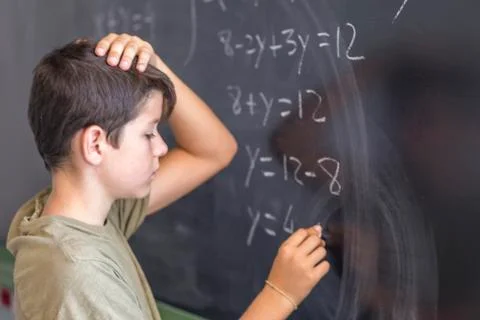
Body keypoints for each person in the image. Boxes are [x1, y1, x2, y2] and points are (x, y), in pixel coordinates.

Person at [6, 33, 330, 320]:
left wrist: (153, 64)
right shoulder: (79, 274)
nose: (162, 147)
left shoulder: (84, 218)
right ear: (95, 144)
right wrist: (280, 296)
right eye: (149, 134)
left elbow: (213, 151)